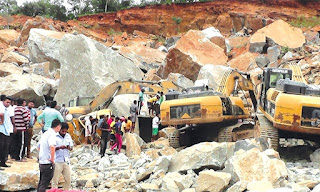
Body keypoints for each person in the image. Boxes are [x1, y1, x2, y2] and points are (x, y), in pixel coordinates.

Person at [37, 119, 62, 192]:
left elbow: (38, 146)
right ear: (58, 127)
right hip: (47, 162)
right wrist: (52, 158)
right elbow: (52, 146)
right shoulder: (52, 134)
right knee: (45, 183)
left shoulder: (45, 133)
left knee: (41, 182)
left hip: (42, 161)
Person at [51, 122, 73, 190]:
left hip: (66, 161)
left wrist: (68, 147)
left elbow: (72, 147)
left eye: (65, 131)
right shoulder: (54, 136)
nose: (64, 133)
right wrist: (59, 147)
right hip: (57, 161)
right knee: (55, 180)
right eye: (62, 131)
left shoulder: (68, 136)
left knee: (68, 179)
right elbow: (51, 148)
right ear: (59, 129)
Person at [0, 97, 13, 168]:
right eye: (7, 102)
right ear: (3, 101)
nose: (8, 104)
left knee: (5, 147)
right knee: (2, 147)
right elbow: (1, 114)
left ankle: (3, 162)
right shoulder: (1, 106)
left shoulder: (7, 109)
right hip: (1, 130)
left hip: (6, 130)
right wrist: (1, 121)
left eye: (9, 103)